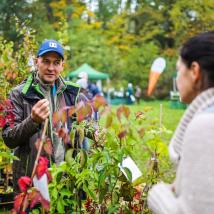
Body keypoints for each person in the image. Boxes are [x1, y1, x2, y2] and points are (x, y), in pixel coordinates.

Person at [2, 39, 80, 194]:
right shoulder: (17, 94)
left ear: (62, 65)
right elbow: (8, 138)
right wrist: (32, 121)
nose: (51, 68)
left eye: (56, 62)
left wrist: (94, 132)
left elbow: (78, 132)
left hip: (64, 180)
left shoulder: (72, 93)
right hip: (32, 182)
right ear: (36, 61)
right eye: (46, 61)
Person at [148, 32, 214, 214]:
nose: (177, 78)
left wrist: (157, 194)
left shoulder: (206, 126)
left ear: (194, 71)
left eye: (178, 70)